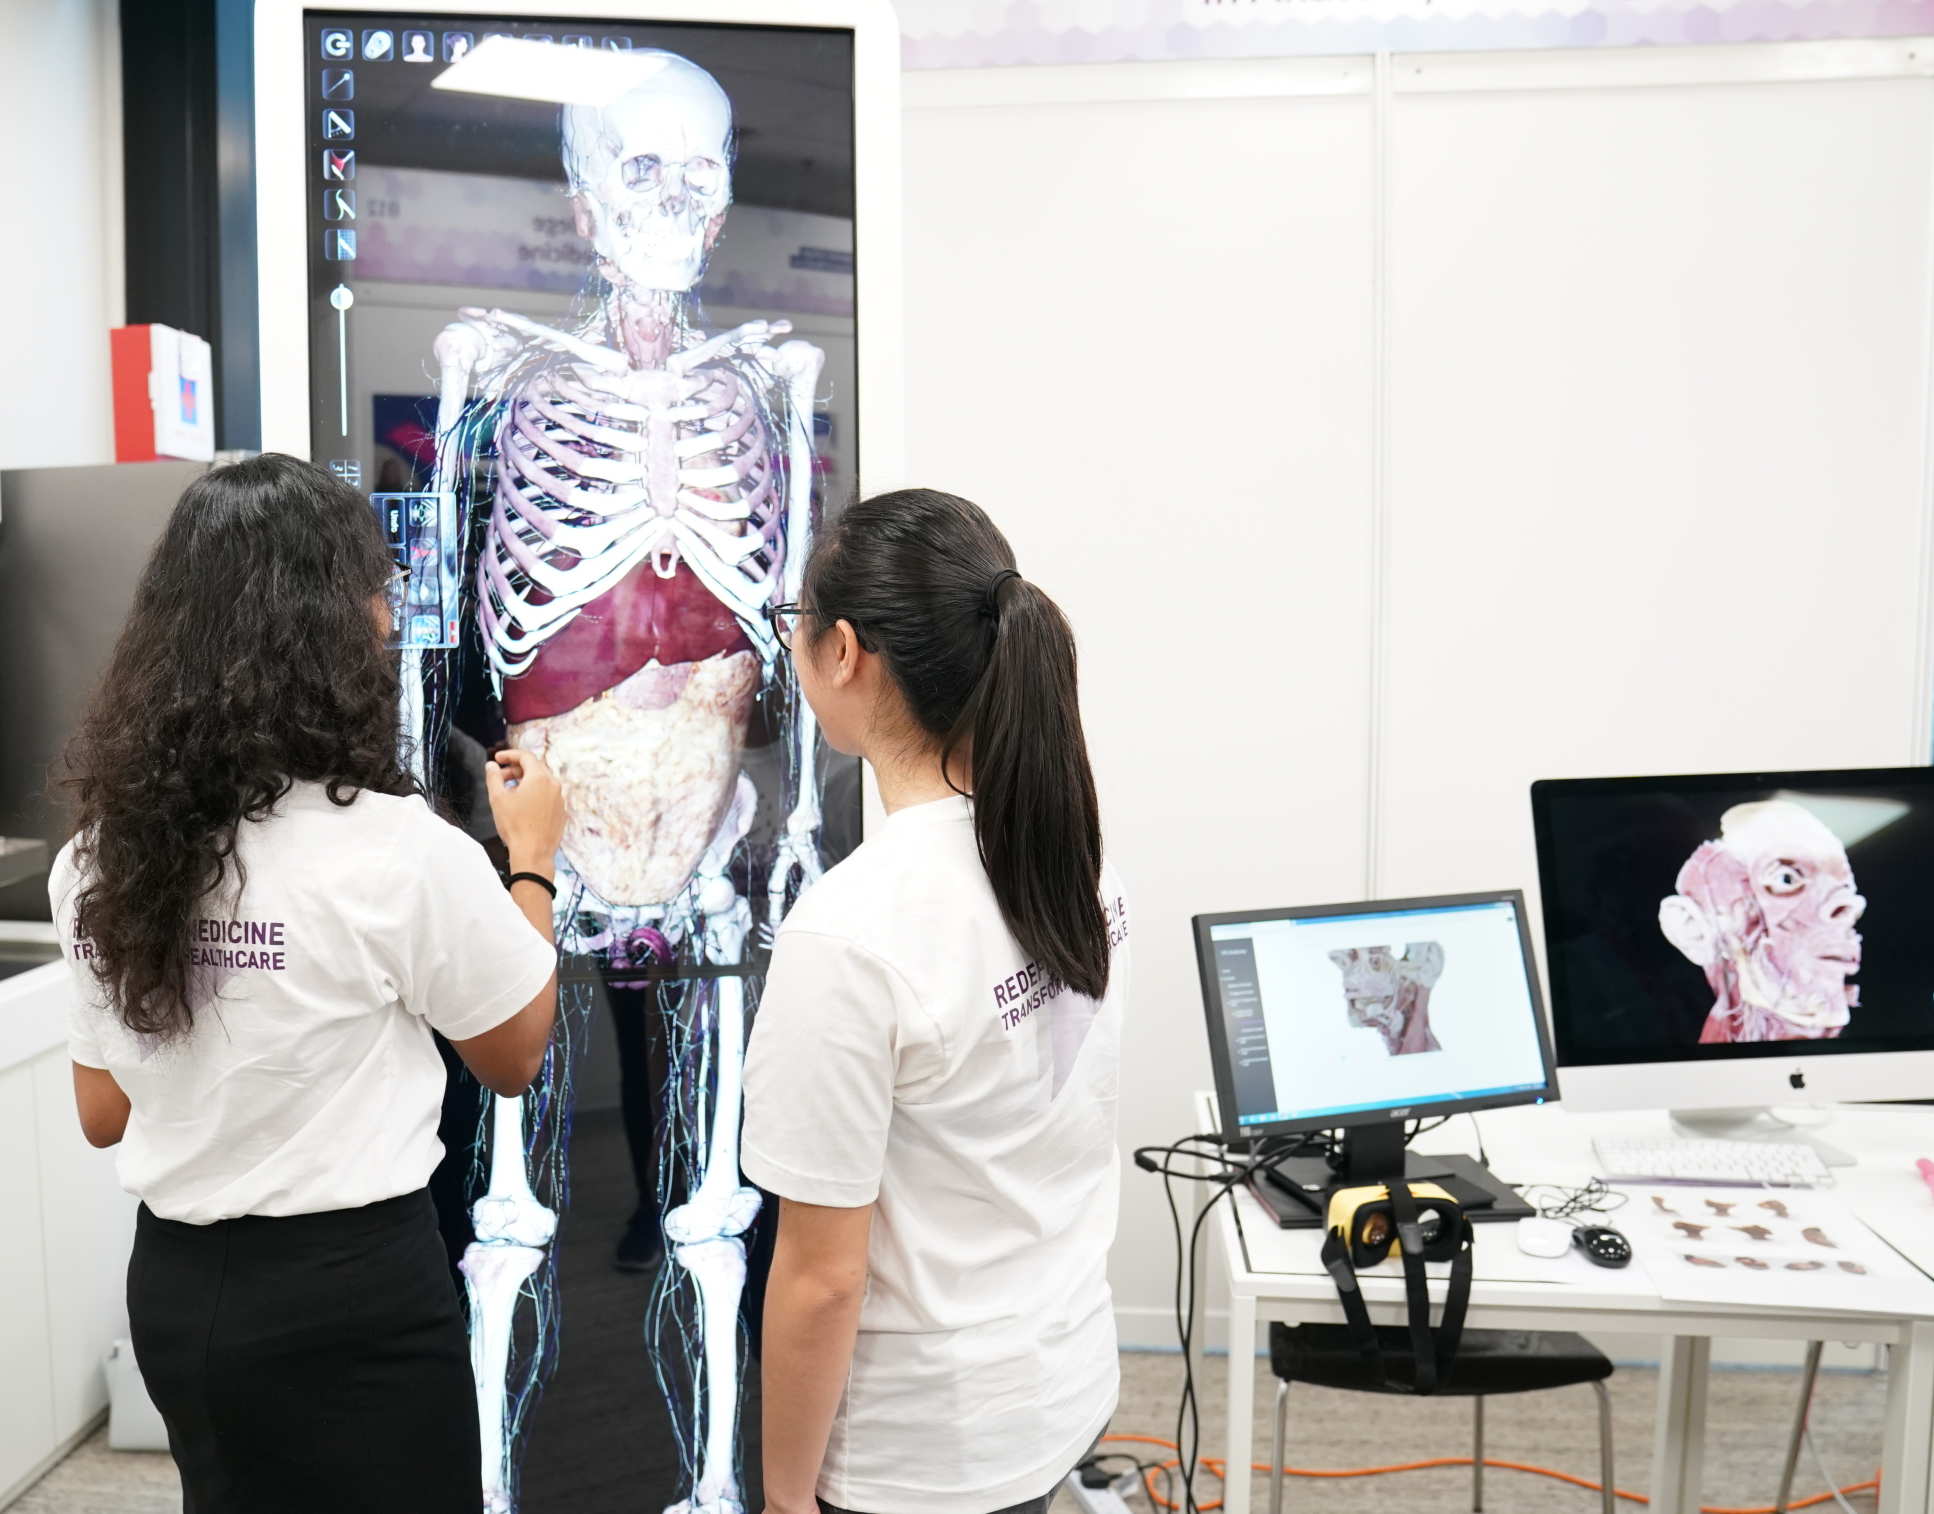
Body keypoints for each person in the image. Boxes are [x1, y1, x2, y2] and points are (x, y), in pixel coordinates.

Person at [49, 454, 566, 1514]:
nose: (386, 614)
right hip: (352, 1303)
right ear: (331, 627)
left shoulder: (99, 859)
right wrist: (533, 860)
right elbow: (513, 1054)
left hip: (182, 1296)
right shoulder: (392, 850)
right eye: (375, 590)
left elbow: (102, 1110)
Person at [742, 488, 1131, 1514]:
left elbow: (818, 1278)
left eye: (795, 626)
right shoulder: (1075, 858)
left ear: (846, 653)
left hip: (922, 1450)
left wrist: (782, 1496)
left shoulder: (850, 932)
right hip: (1054, 1380)